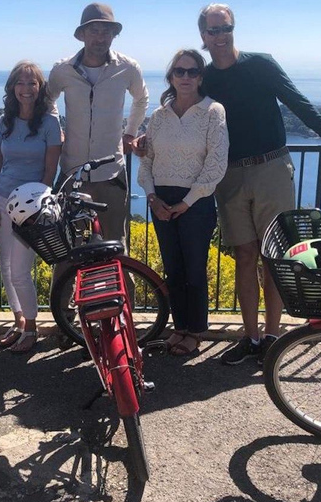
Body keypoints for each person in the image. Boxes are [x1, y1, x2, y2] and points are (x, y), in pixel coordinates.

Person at [197, 4, 321, 366]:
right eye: (212, 31)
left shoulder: (260, 64)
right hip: (229, 174)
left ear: (233, 29)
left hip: (271, 167)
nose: (220, 37)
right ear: (203, 37)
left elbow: (295, 99)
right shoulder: (205, 78)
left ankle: (272, 336)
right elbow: (185, 111)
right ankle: (250, 336)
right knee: (244, 256)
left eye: (225, 29)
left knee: (273, 255)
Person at [137, 49, 228, 356]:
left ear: (200, 77)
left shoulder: (213, 111)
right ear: (171, 77)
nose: (185, 77)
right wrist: (152, 197)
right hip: (161, 199)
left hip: (196, 203)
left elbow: (216, 164)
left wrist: (187, 202)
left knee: (194, 269)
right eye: (179, 71)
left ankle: (196, 330)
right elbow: (147, 161)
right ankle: (179, 327)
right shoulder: (159, 116)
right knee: (173, 269)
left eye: (192, 72)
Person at [48, 2, 149, 247]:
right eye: (94, 30)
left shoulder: (127, 68)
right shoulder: (63, 70)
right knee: (70, 246)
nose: (100, 37)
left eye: (107, 31)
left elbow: (142, 99)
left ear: (114, 35)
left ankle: (121, 287)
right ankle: (67, 288)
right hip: (73, 172)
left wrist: (130, 133)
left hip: (110, 173)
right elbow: (48, 101)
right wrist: (55, 131)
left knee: (116, 243)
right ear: (82, 35)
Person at [0, 61, 62, 353]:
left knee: (20, 270)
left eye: (32, 83)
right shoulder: (3, 122)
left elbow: (49, 170)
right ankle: (19, 322)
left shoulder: (50, 123)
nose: (26, 89)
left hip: (31, 207)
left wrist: (38, 206)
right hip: (3, 200)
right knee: (6, 267)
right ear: (12, 87)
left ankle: (31, 329)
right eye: (20, 82)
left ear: (40, 88)